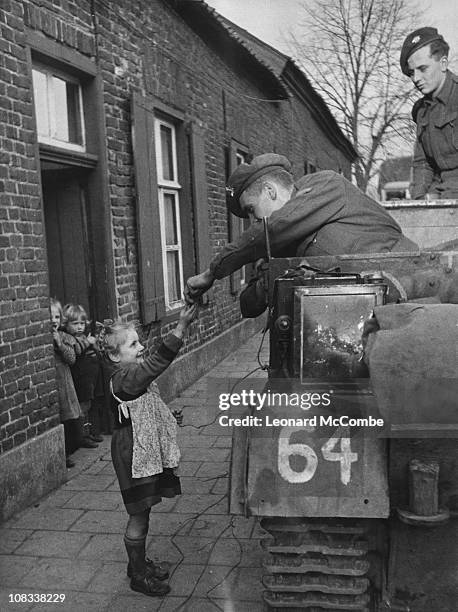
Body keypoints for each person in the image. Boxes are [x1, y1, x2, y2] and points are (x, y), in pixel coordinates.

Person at [185, 153, 418, 306]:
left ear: (270, 191)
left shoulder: (326, 185)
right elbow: (250, 305)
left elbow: (274, 229)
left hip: (409, 293)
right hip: (363, 310)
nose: (253, 219)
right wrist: (268, 277)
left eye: (251, 209)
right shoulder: (285, 239)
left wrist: (210, 274)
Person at [98, 303, 197, 597]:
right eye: (133, 344)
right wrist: (180, 328)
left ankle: (137, 563)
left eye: (139, 342)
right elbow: (155, 365)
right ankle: (138, 575)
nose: (141, 348)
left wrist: (167, 415)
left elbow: (145, 404)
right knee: (139, 514)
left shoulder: (130, 375)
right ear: (115, 356)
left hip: (141, 446)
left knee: (145, 508)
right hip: (133, 452)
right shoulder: (125, 377)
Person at [400, 27, 458, 199]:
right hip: (441, 198)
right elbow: (422, 164)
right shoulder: (421, 111)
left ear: (443, 64)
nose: (415, 78)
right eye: (411, 73)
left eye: (422, 69)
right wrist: (419, 201)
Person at [63, 303, 104, 449]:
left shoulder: (82, 336)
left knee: (88, 404)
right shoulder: (69, 339)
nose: (79, 327)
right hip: (78, 379)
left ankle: (90, 432)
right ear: (66, 324)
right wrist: (88, 342)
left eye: (81, 323)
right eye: (75, 323)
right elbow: (77, 352)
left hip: (89, 378)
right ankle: (82, 436)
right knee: (82, 407)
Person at [50, 299, 82, 469]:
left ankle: (68, 451)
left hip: (64, 382)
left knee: (69, 420)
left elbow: (71, 358)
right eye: (50, 316)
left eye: (57, 316)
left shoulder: (64, 337)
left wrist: (59, 344)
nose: (54, 320)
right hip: (51, 383)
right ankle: (61, 454)